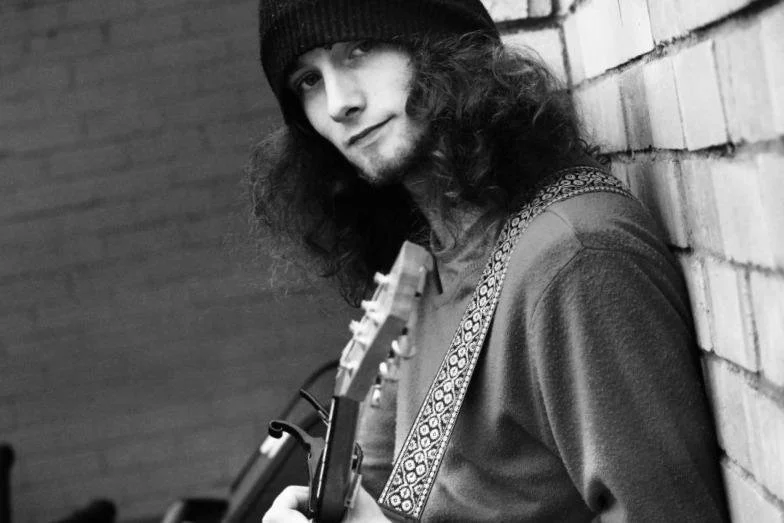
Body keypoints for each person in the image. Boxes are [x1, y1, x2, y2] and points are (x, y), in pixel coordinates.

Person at [250, 0, 730, 521]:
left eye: (360, 50)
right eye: (308, 81)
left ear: (439, 41)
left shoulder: (573, 261)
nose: (339, 102)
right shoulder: (423, 272)